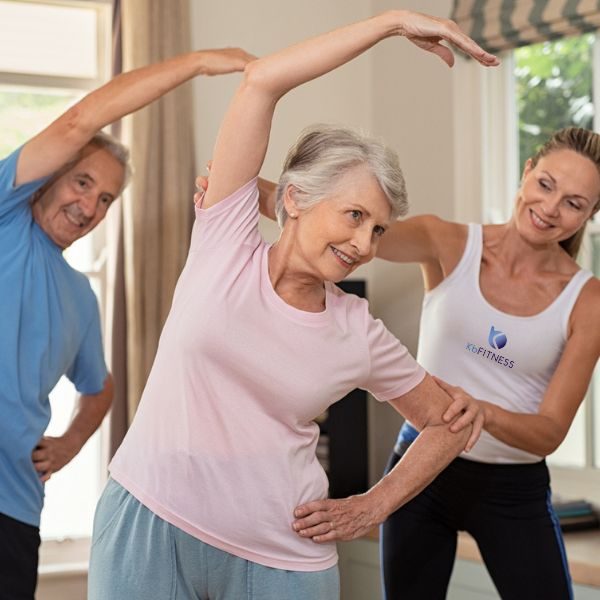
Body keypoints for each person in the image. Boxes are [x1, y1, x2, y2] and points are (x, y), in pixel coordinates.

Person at [87, 10, 498, 600]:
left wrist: (373, 505)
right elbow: (261, 82)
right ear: (297, 199)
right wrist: (389, 23)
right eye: (354, 215)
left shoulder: (357, 330)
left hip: (282, 556)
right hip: (149, 522)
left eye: (378, 230)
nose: (364, 244)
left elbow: (450, 422)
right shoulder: (225, 240)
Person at [292, 127, 600, 600]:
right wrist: (241, 189)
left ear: (589, 215)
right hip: (419, 471)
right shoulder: (447, 242)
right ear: (527, 173)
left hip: (512, 489)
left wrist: (481, 412)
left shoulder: (587, 301)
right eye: (546, 184)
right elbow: (347, 224)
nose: (551, 207)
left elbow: (550, 431)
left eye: (574, 203)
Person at [0, 47, 254, 600]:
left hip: (14, 509)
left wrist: (69, 443)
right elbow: (79, 121)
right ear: (49, 176)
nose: (89, 206)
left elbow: (101, 388)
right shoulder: (5, 213)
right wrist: (197, 64)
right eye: (82, 182)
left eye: (105, 199)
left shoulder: (79, 298)